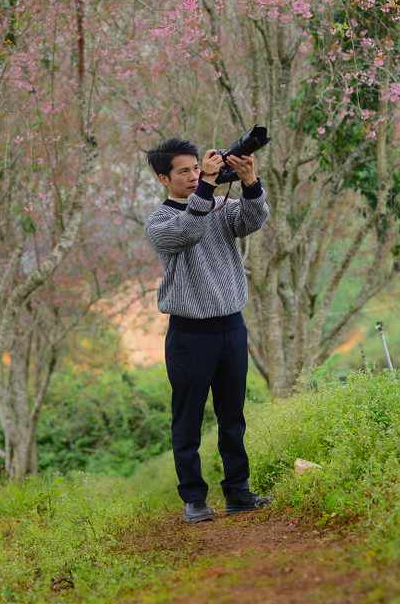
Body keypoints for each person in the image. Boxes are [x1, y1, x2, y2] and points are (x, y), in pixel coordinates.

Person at [143, 137, 272, 524]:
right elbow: (188, 231)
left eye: (197, 167)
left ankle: (238, 492)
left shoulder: (219, 205)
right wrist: (207, 188)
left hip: (231, 327)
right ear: (164, 178)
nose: (194, 175)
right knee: (188, 420)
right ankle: (194, 499)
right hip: (189, 335)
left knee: (232, 416)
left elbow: (252, 221)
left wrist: (250, 184)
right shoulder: (160, 222)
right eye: (183, 171)